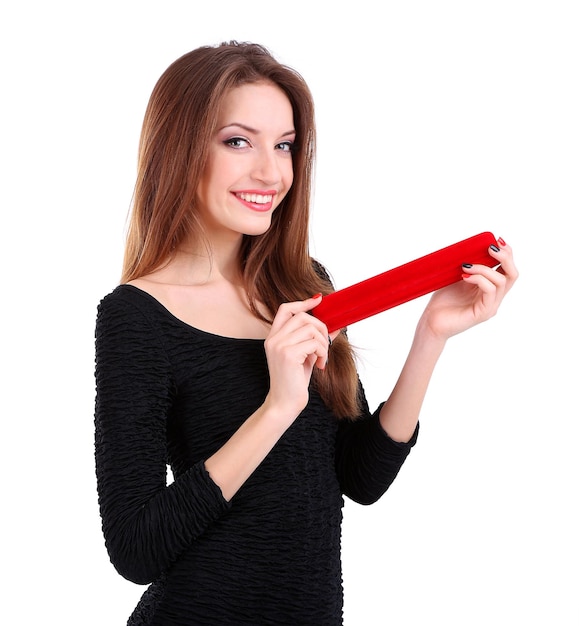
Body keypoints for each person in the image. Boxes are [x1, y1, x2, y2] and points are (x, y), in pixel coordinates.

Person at [94, 41, 518, 625]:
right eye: (238, 141)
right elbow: (136, 548)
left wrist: (431, 337)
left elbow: (358, 476)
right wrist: (277, 407)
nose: (271, 172)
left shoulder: (303, 287)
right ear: (181, 150)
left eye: (285, 146)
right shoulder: (136, 316)